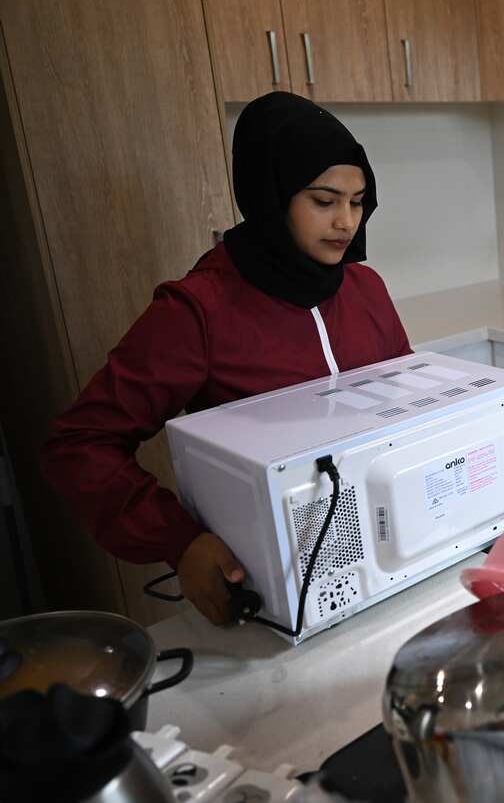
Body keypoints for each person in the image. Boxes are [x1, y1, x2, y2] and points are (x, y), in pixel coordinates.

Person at [41, 91, 413, 626]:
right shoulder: (199, 310)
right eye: (324, 200)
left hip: (387, 548)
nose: (345, 222)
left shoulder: (365, 287)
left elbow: (409, 407)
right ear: (271, 195)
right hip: (268, 576)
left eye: (357, 202)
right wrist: (179, 539)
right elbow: (79, 444)